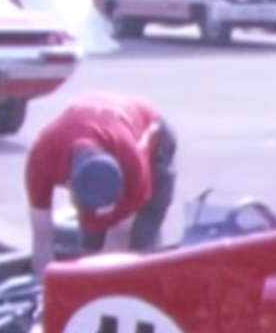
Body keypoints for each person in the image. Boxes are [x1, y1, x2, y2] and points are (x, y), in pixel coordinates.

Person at [24, 91, 177, 275]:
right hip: (96, 125)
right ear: (70, 185)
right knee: (91, 242)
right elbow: (42, 234)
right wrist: (45, 288)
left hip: (153, 139)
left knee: (140, 243)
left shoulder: (133, 165)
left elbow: (119, 234)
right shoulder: (42, 158)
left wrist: (102, 290)